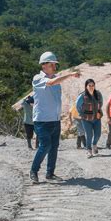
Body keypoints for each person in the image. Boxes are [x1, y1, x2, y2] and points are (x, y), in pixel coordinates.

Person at [30, 51, 80, 184]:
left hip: (54, 119)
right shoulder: (37, 78)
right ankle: (34, 171)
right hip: (42, 120)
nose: (54, 67)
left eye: (55, 65)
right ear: (44, 65)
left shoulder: (57, 80)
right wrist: (69, 75)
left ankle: (50, 173)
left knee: (54, 147)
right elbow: (50, 83)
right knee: (45, 146)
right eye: (52, 65)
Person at [76, 79, 103, 158]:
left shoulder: (98, 94)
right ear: (86, 86)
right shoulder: (82, 95)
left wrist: (99, 112)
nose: (91, 87)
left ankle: (94, 145)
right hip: (86, 119)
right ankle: (89, 150)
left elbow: (101, 103)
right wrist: (82, 114)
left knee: (98, 134)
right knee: (89, 135)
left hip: (97, 118)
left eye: (92, 85)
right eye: (89, 85)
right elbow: (78, 106)